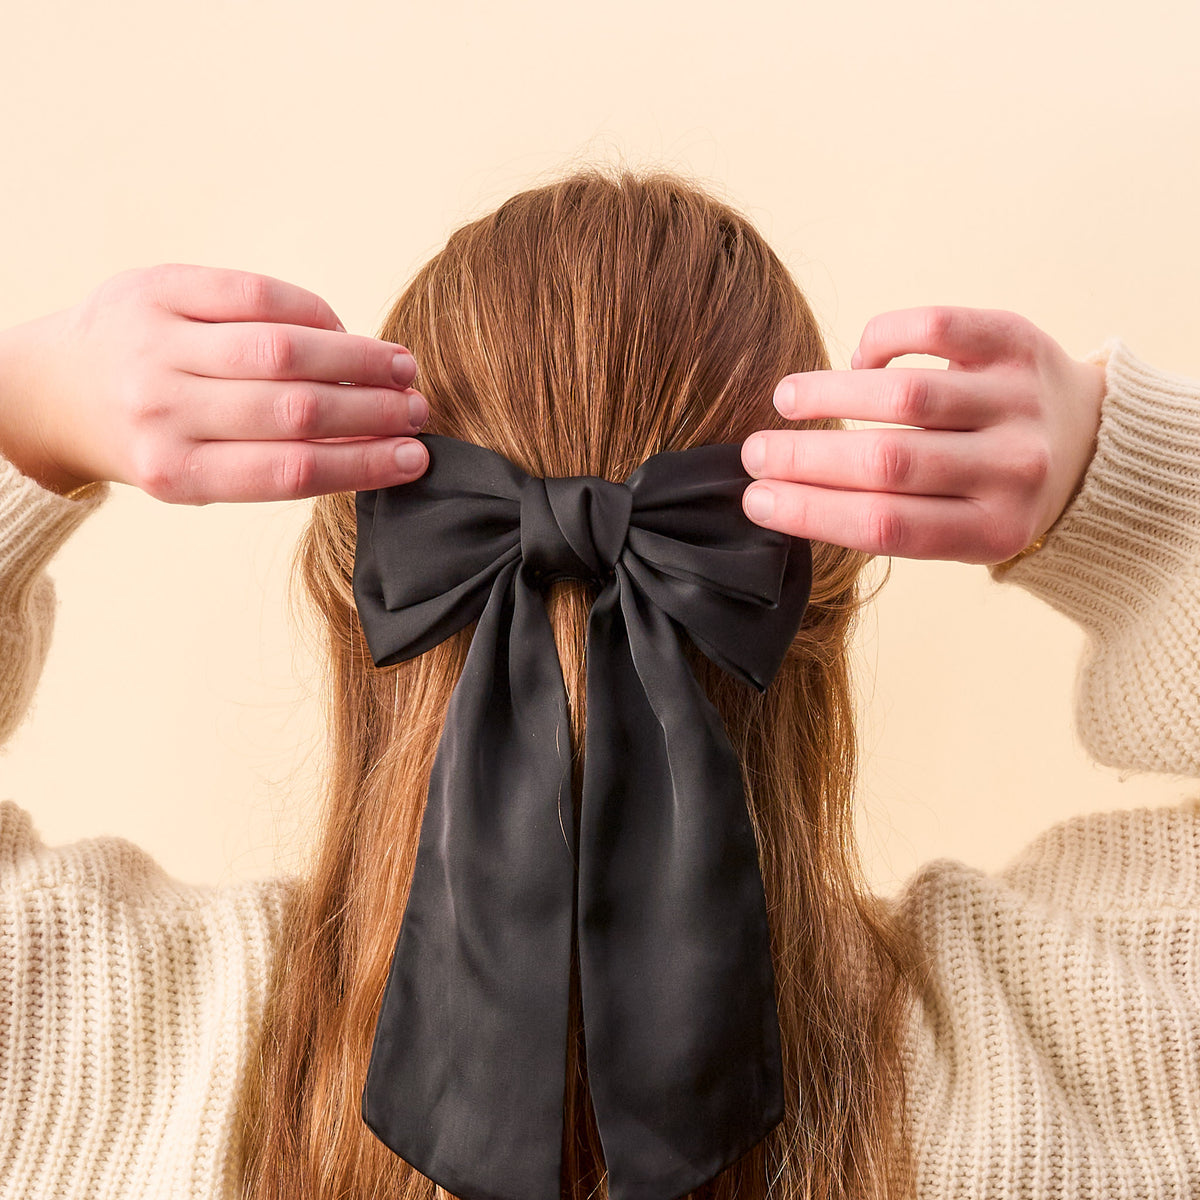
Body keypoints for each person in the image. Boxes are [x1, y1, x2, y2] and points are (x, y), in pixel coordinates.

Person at [0, 168, 1195, 1200]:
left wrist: (29, 405)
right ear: (814, 592)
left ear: (358, 586)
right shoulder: (1095, 1045)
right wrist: (1119, 481)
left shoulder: (92, 1043)